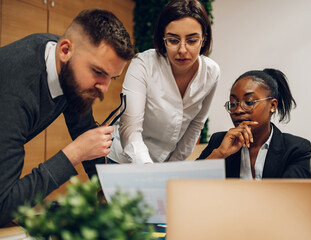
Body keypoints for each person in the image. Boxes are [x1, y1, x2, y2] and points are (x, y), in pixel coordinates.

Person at [0, 9, 134, 225]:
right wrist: (74, 153)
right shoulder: (14, 91)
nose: (104, 89)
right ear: (65, 51)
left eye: (112, 77)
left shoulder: (69, 65)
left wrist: (108, 191)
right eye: (98, 72)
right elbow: (3, 207)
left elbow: (84, 128)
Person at [107, 0, 220, 164]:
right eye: (173, 40)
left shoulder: (211, 73)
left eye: (192, 40)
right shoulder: (143, 64)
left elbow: (196, 125)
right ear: (163, 39)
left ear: (203, 40)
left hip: (166, 163)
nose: (182, 50)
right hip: (125, 160)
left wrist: (172, 166)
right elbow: (130, 128)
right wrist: (150, 170)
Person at [198, 69, 311, 179]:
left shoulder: (295, 148)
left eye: (249, 102)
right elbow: (188, 186)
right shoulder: (219, 142)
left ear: (272, 105)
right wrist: (220, 153)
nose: (238, 110)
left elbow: (292, 195)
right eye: (233, 104)